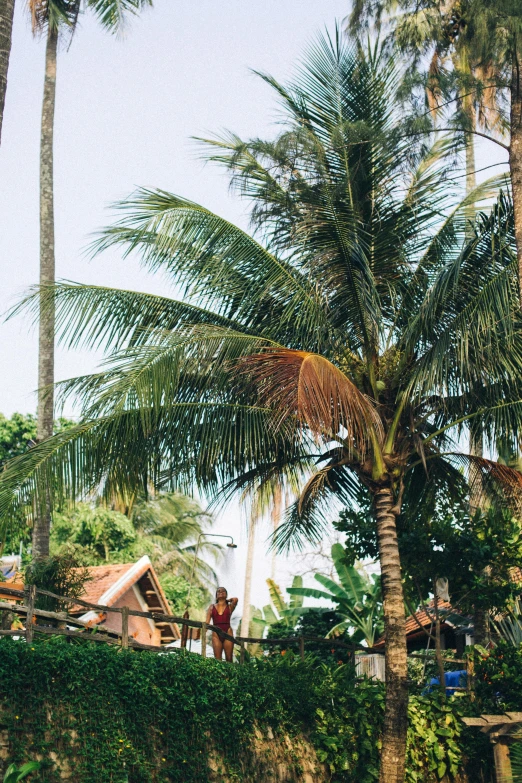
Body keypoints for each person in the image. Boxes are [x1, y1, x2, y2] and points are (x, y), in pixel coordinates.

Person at [206, 587, 238, 662]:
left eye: (223, 591)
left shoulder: (230, 607)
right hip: (216, 634)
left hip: (228, 632)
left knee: (229, 658)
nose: (221, 592)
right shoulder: (211, 607)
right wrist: (203, 633)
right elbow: (207, 622)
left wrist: (227, 600)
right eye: (218, 591)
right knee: (217, 660)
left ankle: (229, 673)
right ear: (216, 595)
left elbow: (235, 599)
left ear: (226, 595)